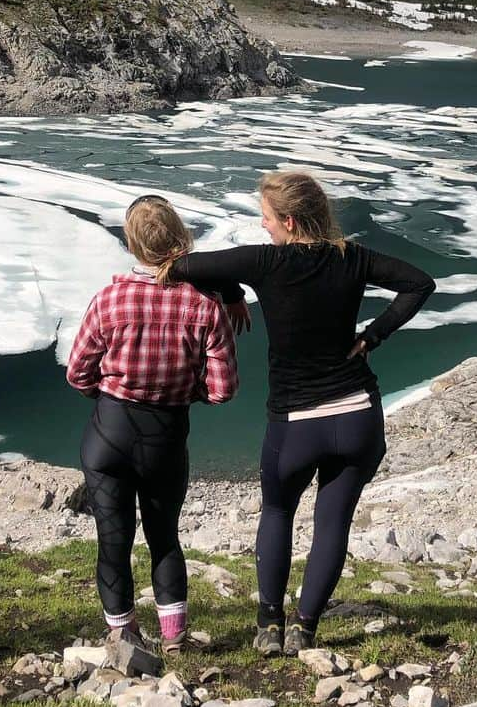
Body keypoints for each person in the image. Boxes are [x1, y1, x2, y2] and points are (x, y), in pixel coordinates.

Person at [172, 170, 435, 656]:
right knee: (332, 525)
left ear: (290, 221)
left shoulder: (266, 263)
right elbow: (420, 284)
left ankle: (269, 625)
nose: (264, 226)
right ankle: (305, 627)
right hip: (357, 416)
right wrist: (373, 336)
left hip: (295, 424)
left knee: (277, 511)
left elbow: (187, 267)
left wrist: (232, 294)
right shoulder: (351, 258)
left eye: (268, 218)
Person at [66, 194, 240, 654]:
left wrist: (108, 394)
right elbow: (222, 390)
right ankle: (175, 637)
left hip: (109, 432)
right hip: (165, 436)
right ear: (180, 239)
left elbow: (77, 371)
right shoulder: (204, 306)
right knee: (164, 536)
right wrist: (181, 392)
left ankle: (123, 634)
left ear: (131, 244)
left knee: (113, 537)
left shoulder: (108, 299)